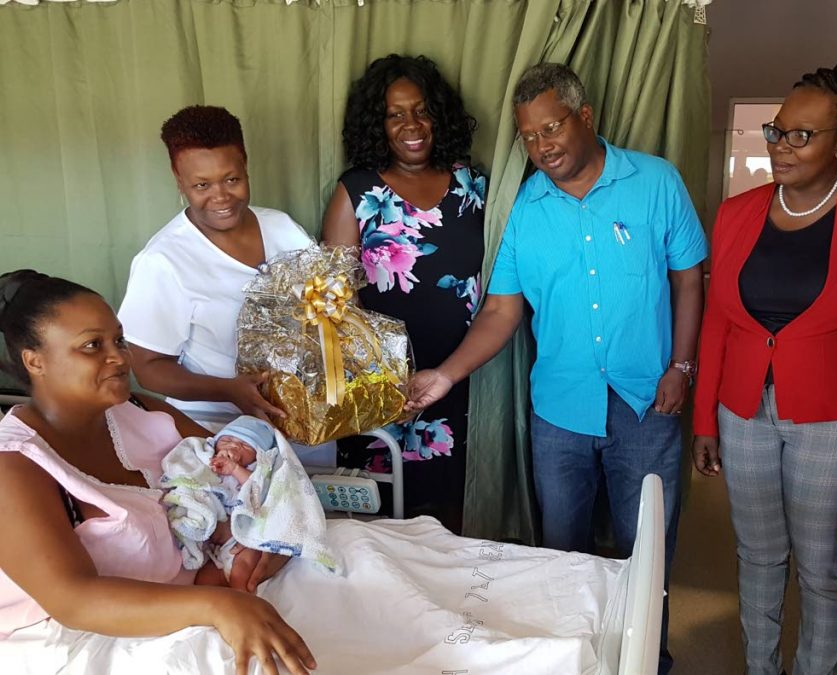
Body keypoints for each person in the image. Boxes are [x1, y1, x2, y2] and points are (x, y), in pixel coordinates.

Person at [404, 62, 707, 675]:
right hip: (560, 413)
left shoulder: (654, 181)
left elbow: (689, 277)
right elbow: (499, 310)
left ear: (585, 117)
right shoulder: (526, 210)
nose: (543, 146)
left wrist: (681, 363)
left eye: (553, 127)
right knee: (560, 555)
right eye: (529, 136)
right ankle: (574, 660)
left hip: (648, 402)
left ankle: (651, 659)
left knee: (647, 551)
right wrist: (445, 375)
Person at [691, 57, 837, 675]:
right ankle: (762, 668)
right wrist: (705, 417)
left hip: (831, 415)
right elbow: (718, 320)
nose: (781, 147)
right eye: (776, 130)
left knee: (822, 566)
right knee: (757, 555)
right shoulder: (738, 212)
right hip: (743, 411)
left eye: (801, 135)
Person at [0, 270, 315, 674]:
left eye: (119, 340)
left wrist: (267, 543)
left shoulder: (143, 412)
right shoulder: (16, 465)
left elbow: (252, 481)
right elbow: (72, 599)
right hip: (78, 638)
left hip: (215, 593)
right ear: (35, 361)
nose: (119, 357)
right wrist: (221, 605)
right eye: (92, 345)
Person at [322, 54, 484, 531]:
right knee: (387, 523)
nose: (411, 125)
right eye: (395, 114)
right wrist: (380, 381)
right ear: (378, 123)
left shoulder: (471, 185)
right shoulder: (357, 190)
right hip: (385, 389)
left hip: (460, 379)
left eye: (421, 110)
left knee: (453, 516)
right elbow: (336, 301)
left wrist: (451, 374)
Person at [118, 106, 314, 430]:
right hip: (219, 435)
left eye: (231, 179)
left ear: (246, 164)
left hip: (305, 421)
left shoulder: (282, 227)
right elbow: (148, 368)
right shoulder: (164, 261)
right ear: (179, 180)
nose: (221, 197)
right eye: (202, 186)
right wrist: (229, 391)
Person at [161, 414, 338, 591]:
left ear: (257, 457)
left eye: (245, 445)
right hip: (214, 547)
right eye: (227, 439)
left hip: (243, 540)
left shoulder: (257, 472)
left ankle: (242, 597)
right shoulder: (207, 460)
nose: (233, 445)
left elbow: (256, 489)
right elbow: (195, 480)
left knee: (241, 572)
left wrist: (235, 469)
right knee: (204, 579)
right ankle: (217, 607)